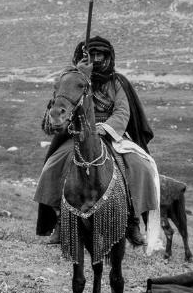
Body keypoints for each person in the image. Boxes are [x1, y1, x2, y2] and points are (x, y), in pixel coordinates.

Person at [34, 35, 160, 247]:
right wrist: (81, 76)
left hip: (112, 134)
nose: (95, 58)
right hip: (79, 134)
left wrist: (102, 128)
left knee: (141, 167)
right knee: (52, 166)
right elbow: (63, 104)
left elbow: (122, 112)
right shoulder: (72, 79)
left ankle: (133, 221)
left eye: (98, 54)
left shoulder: (117, 82)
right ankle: (60, 221)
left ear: (107, 56)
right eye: (90, 55)